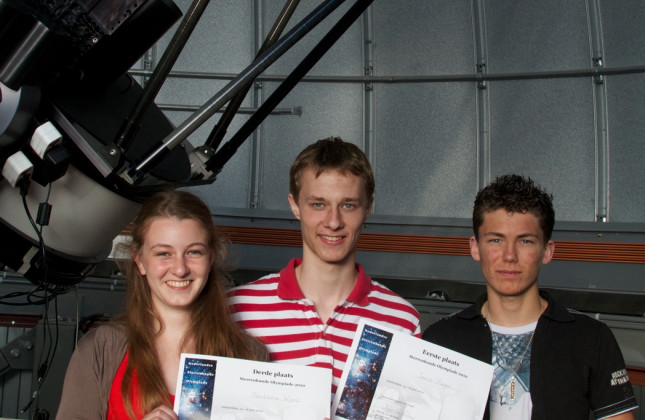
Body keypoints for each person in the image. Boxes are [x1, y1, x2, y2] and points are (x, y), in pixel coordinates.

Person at [422, 174, 638, 420]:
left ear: (547, 251)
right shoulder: (441, 339)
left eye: (525, 241)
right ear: (475, 247)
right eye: (495, 240)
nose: (509, 255)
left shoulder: (590, 338)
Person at [227, 136, 421, 400]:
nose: (333, 222)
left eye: (348, 205)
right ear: (294, 205)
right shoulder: (237, 308)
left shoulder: (402, 321)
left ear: (368, 208)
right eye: (318, 204)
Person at [56, 190, 268, 420]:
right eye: (164, 253)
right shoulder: (101, 348)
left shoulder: (250, 356)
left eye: (194, 252)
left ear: (211, 258)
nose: (180, 268)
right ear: (139, 260)